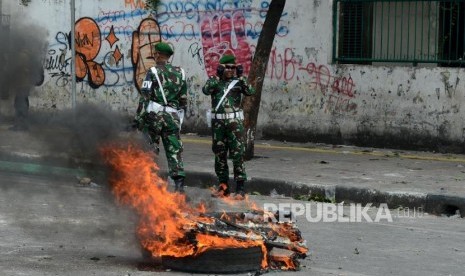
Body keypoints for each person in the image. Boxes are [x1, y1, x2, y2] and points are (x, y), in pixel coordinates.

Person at [134, 42, 188, 193]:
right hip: (172, 117)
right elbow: (183, 100)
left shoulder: (153, 71)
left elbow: (145, 97)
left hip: (155, 116)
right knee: (174, 150)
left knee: (150, 148)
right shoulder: (181, 73)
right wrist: (178, 120)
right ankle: (179, 185)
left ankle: (150, 182)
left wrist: (138, 119)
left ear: (158, 54)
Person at [202, 53, 256, 199]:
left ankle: (240, 188)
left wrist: (241, 77)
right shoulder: (214, 81)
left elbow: (250, 91)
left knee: (237, 155)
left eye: (233, 67)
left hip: (234, 125)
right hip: (218, 125)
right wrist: (217, 76)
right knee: (220, 155)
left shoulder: (238, 82)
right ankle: (223, 187)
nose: (231, 70)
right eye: (228, 67)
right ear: (220, 68)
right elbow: (206, 90)